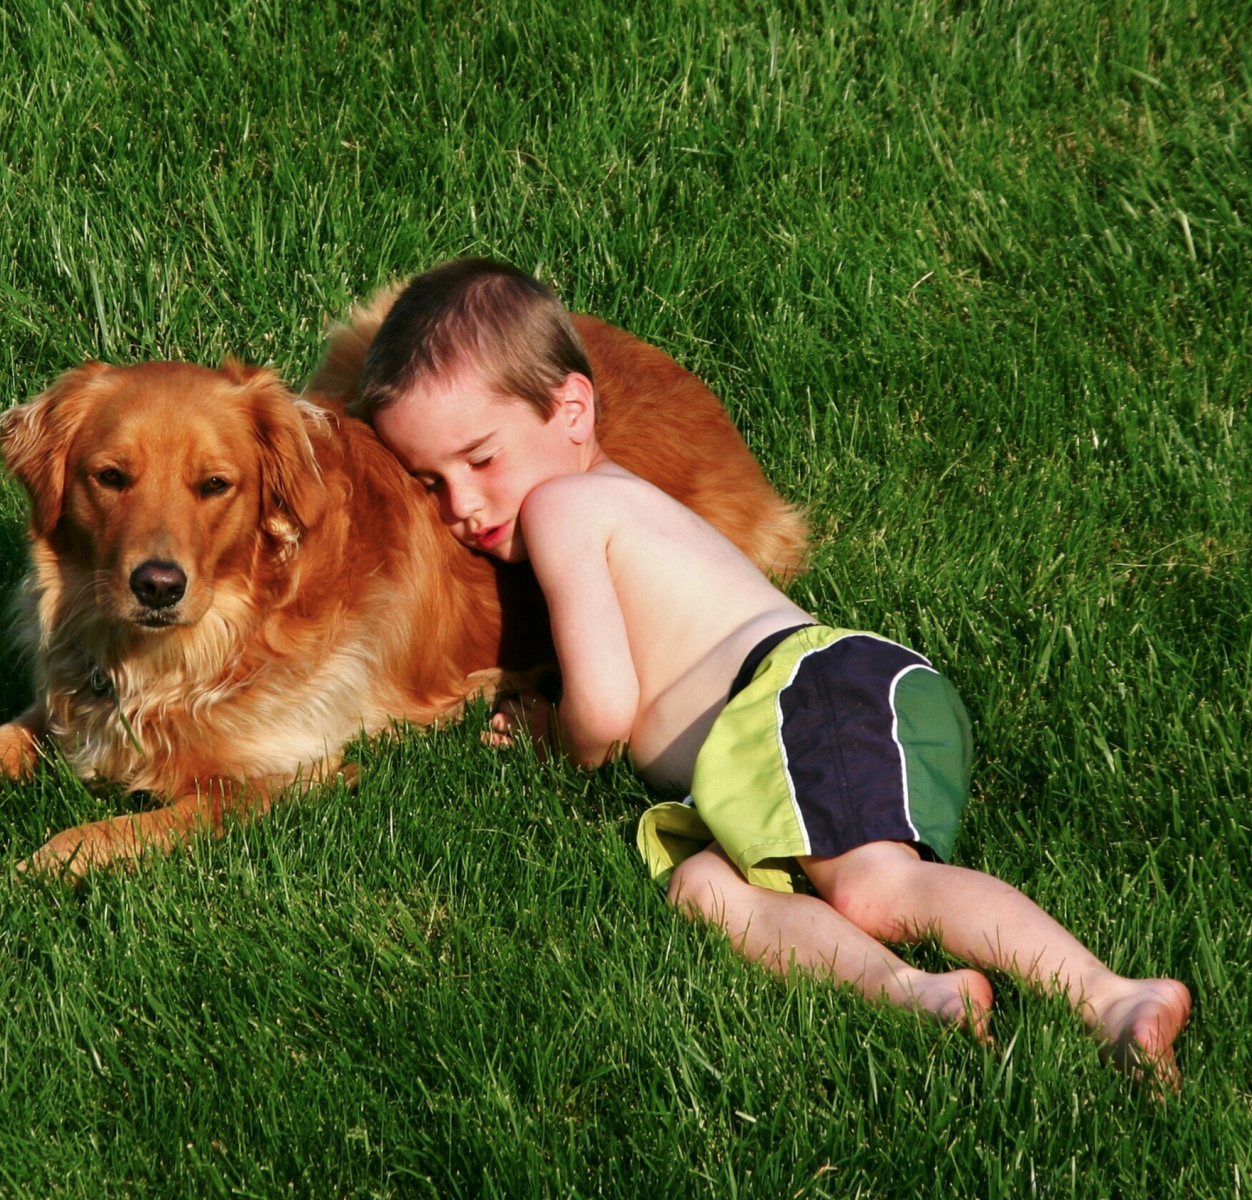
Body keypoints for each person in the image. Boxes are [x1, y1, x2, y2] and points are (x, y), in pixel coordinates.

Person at [352, 258, 1193, 1086]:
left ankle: (1111, 994)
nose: (461, 505)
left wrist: (556, 737)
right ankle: (918, 993)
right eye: (431, 482)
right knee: (704, 888)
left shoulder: (563, 507)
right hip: (773, 745)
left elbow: (605, 710)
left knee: (874, 886)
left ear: (572, 408)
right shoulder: (598, 494)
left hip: (803, 698)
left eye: (481, 459)